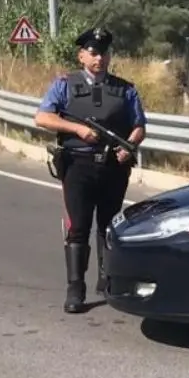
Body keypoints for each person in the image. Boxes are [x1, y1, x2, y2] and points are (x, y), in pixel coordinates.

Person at [33, 27, 147, 314]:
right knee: (78, 227)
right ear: (81, 55)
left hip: (113, 166)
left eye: (104, 53)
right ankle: (75, 287)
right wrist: (78, 129)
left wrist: (128, 146)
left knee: (109, 225)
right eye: (94, 53)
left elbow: (139, 126)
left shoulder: (126, 89)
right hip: (77, 164)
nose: (99, 58)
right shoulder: (64, 84)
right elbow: (43, 117)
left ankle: (106, 279)